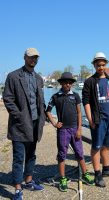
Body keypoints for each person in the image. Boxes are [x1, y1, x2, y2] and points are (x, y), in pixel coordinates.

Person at [3, 48, 46, 200]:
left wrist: (43, 118)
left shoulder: (38, 78)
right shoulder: (13, 76)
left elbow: (41, 101)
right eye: (31, 57)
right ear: (24, 57)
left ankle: (28, 181)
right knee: (19, 157)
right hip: (19, 126)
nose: (33, 60)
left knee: (31, 155)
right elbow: (7, 98)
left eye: (36, 57)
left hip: (35, 124)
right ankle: (17, 189)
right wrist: (19, 116)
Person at [45, 72, 94, 192]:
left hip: (74, 129)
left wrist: (79, 128)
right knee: (62, 154)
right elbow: (48, 111)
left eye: (70, 82)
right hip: (63, 130)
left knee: (79, 152)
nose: (68, 84)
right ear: (61, 83)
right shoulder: (56, 97)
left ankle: (85, 173)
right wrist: (54, 123)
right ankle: (62, 178)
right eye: (65, 82)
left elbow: (78, 113)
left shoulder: (76, 96)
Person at [82, 52, 109, 188]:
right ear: (94, 65)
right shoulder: (90, 82)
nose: (101, 67)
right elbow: (86, 102)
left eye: (103, 65)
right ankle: (97, 174)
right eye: (98, 65)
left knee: (107, 145)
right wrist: (90, 119)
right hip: (98, 120)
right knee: (96, 146)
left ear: (106, 65)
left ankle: (106, 168)